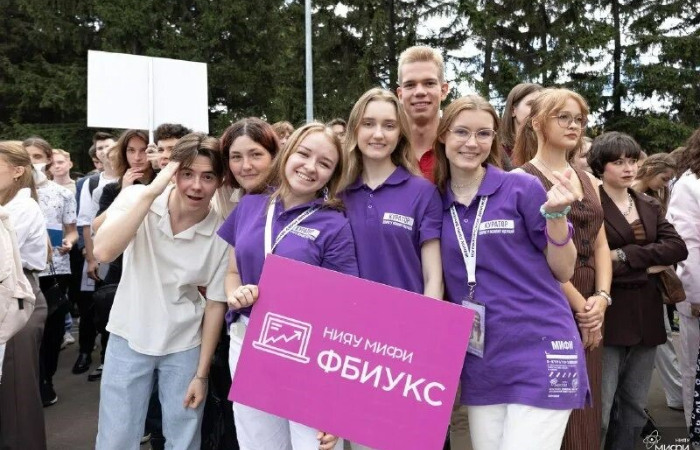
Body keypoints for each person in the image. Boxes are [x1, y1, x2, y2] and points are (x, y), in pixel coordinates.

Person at [434, 95, 589, 449]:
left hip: (542, 348)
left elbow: (563, 269)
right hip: (483, 357)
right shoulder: (434, 202)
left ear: (493, 139)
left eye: (483, 134)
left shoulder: (520, 187)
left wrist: (556, 217)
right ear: (443, 136)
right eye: (461, 132)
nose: (472, 143)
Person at [218, 122, 357, 450]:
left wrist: (334, 398)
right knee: (258, 444)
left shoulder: (334, 224)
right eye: (304, 154)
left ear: (332, 175)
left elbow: (343, 310)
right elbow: (232, 272)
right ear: (287, 153)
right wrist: (235, 294)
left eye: (324, 163)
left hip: (307, 351)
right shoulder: (251, 205)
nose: (310, 167)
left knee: (313, 444)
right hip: (247, 340)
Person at [93, 132, 228, 449]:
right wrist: (151, 192)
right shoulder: (137, 198)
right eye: (187, 173)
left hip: (185, 342)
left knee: (184, 437)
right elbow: (103, 252)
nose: (196, 185)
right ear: (172, 172)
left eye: (208, 177)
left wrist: (202, 374)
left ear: (220, 180)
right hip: (128, 334)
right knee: (116, 437)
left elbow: (215, 304)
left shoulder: (222, 230)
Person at [514, 88, 611, 450]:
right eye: (564, 117)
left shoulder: (587, 179)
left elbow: (601, 244)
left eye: (579, 119)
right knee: (557, 407)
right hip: (552, 299)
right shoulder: (521, 179)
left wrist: (601, 298)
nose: (574, 125)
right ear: (537, 123)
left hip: (593, 302)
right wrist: (582, 307)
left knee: (588, 410)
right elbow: (532, 257)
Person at [586, 132, 687, 449]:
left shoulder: (647, 203)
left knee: (634, 407)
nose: (628, 168)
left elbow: (677, 248)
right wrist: (647, 264)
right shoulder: (590, 205)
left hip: (647, 313)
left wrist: (624, 255)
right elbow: (590, 263)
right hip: (609, 314)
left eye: (632, 160)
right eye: (618, 162)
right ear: (600, 166)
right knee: (601, 410)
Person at [343, 88, 443, 299]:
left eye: (389, 126)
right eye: (368, 123)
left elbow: (433, 278)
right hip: (346, 317)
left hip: (406, 316)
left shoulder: (423, 193)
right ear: (355, 129)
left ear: (400, 134)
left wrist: (427, 318)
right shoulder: (338, 194)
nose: (378, 134)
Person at [22, 139, 79, 407]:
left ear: (47, 158)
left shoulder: (62, 194)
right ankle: (28, 381)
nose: (32, 161)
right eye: (26, 156)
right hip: (22, 270)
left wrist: (69, 242)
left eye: (36, 156)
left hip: (55, 269)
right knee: (25, 329)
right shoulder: (12, 192)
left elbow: (72, 230)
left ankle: (46, 379)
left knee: (52, 330)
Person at [0, 141, 49, 449]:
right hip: (10, 295)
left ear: (17, 171)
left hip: (18, 298)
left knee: (17, 397)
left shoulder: (22, 208)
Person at [632, 152, 684, 412]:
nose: (666, 184)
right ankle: (677, 393)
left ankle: (677, 393)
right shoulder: (630, 196)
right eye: (664, 178)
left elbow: (673, 245)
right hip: (634, 278)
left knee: (659, 338)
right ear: (651, 169)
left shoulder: (653, 200)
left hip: (649, 277)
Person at [73, 131, 117, 375]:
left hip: (123, 254)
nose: (105, 151)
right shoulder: (89, 183)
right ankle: (85, 351)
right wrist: (90, 258)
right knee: (94, 306)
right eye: (100, 148)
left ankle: (107, 358)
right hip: (99, 254)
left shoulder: (132, 178)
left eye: (108, 146)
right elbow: (85, 223)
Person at [666, 127, 700, 431]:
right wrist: (696, 296)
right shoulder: (689, 185)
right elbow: (688, 246)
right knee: (694, 368)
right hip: (699, 296)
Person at [396, 46, 450, 180]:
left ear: (443, 91)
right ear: (400, 95)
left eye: (429, 83)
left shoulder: (463, 148)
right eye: (410, 85)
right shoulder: (385, 149)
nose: (419, 92)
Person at [216, 117, 280, 218]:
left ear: (273, 156)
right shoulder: (225, 192)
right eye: (236, 157)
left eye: (255, 155)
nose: (246, 166)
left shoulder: (291, 198)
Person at [499, 83, 543, 160]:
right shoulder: (498, 154)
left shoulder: (548, 152)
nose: (538, 110)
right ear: (513, 110)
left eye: (542, 106)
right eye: (532, 104)